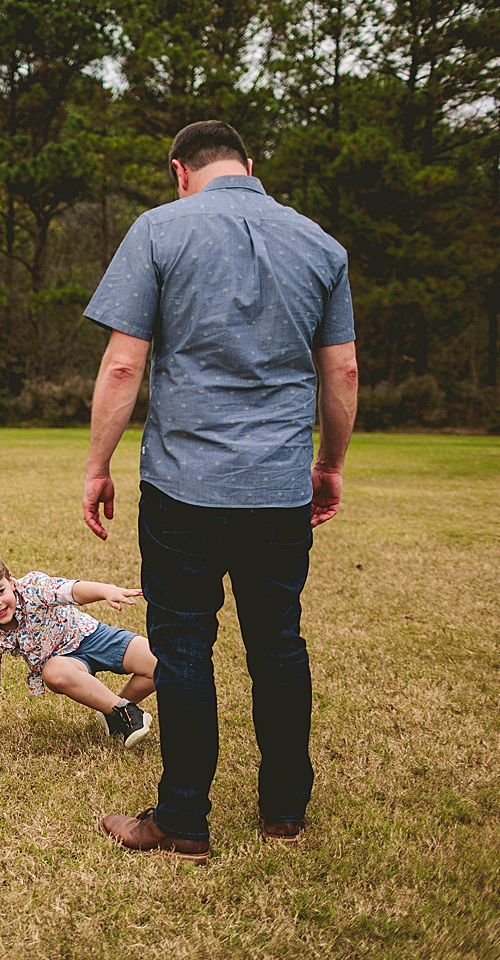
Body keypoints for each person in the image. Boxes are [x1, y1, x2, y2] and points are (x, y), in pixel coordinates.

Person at [82, 121, 359, 863]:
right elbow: (343, 373)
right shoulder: (319, 245)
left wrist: (96, 466)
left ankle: (183, 823)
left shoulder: (158, 231)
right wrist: (329, 465)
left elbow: (120, 367)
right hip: (276, 488)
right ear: (249, 166)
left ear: (180, 171)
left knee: (183, 647)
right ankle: (284, 813)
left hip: (184, 488)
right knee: (278, 645)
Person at [0, 546, 158, 747]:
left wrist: (106, 591)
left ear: (11, 581)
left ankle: (114, 712)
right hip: (64, 663)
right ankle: (125, 713)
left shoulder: (32, 588)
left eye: (0, 591)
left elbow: (71, 591)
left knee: (161, 662)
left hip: (93, 636)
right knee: (54, 672)